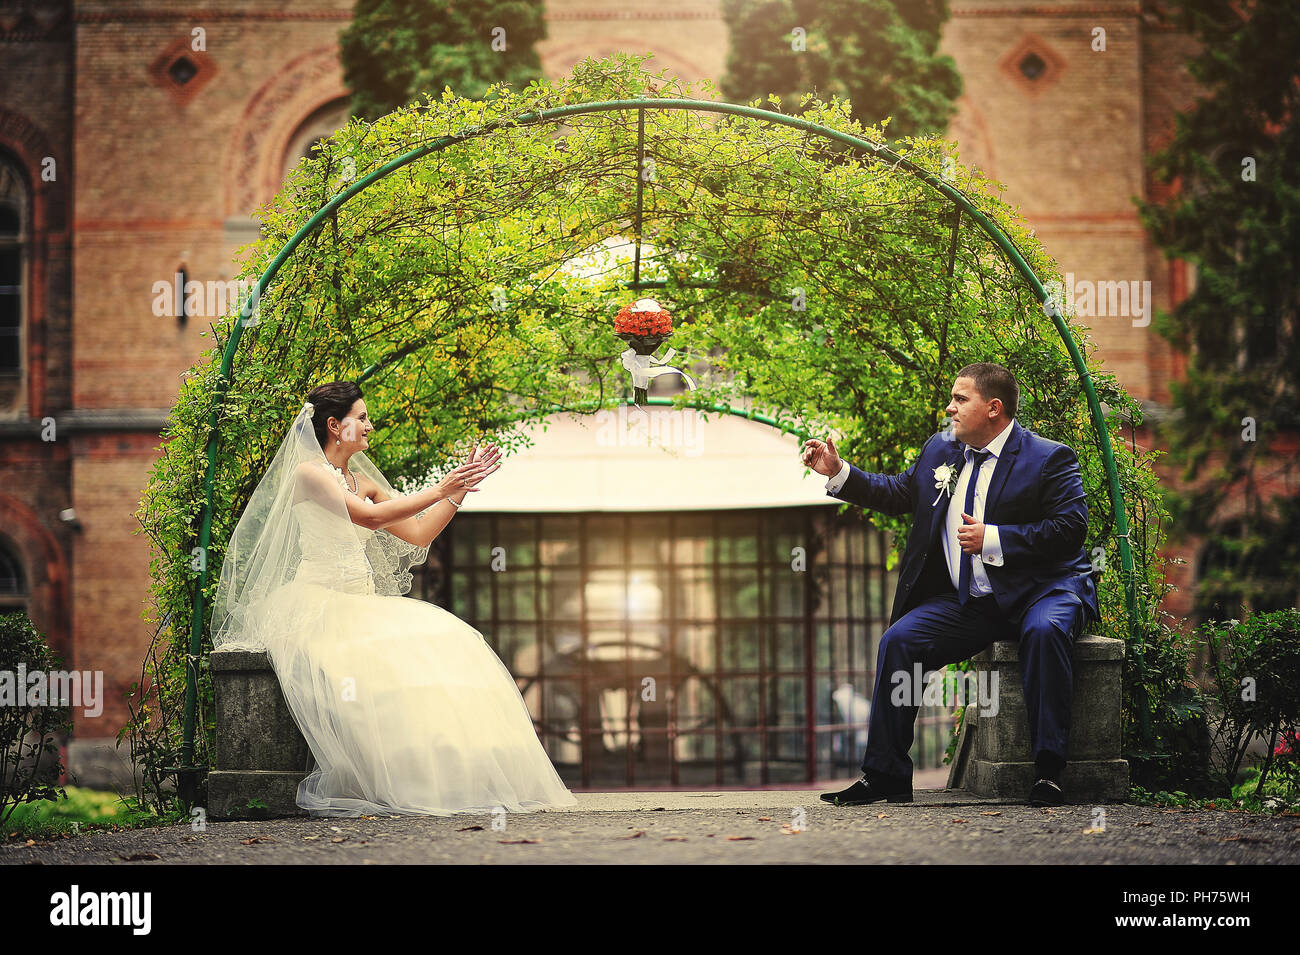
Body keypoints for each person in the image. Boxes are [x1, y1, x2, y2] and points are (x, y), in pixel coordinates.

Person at [210, 380, 577, 817]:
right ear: (334, 425)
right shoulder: (309, 474)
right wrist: (440, 486)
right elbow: (370, 516)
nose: (369, 425)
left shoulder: (361, 481)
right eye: (361, 418)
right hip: (320, 600)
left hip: (362, 603)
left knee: (446, 643)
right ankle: (387, 779)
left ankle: (446, 779)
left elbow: (418, 532)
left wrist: (457, 491)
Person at [800, 363, 1099, 806]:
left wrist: (993, 538)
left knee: (1043, 631)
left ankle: (1048, 772)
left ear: (994, 408)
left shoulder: (1048, 457)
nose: (949, 407)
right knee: (900, 640)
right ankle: (885, 775)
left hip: (1044, 589)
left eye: (961, 399)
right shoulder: (942, 450)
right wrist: (838, 470)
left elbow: (1071, 528)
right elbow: (899, 492)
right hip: (974, 600)